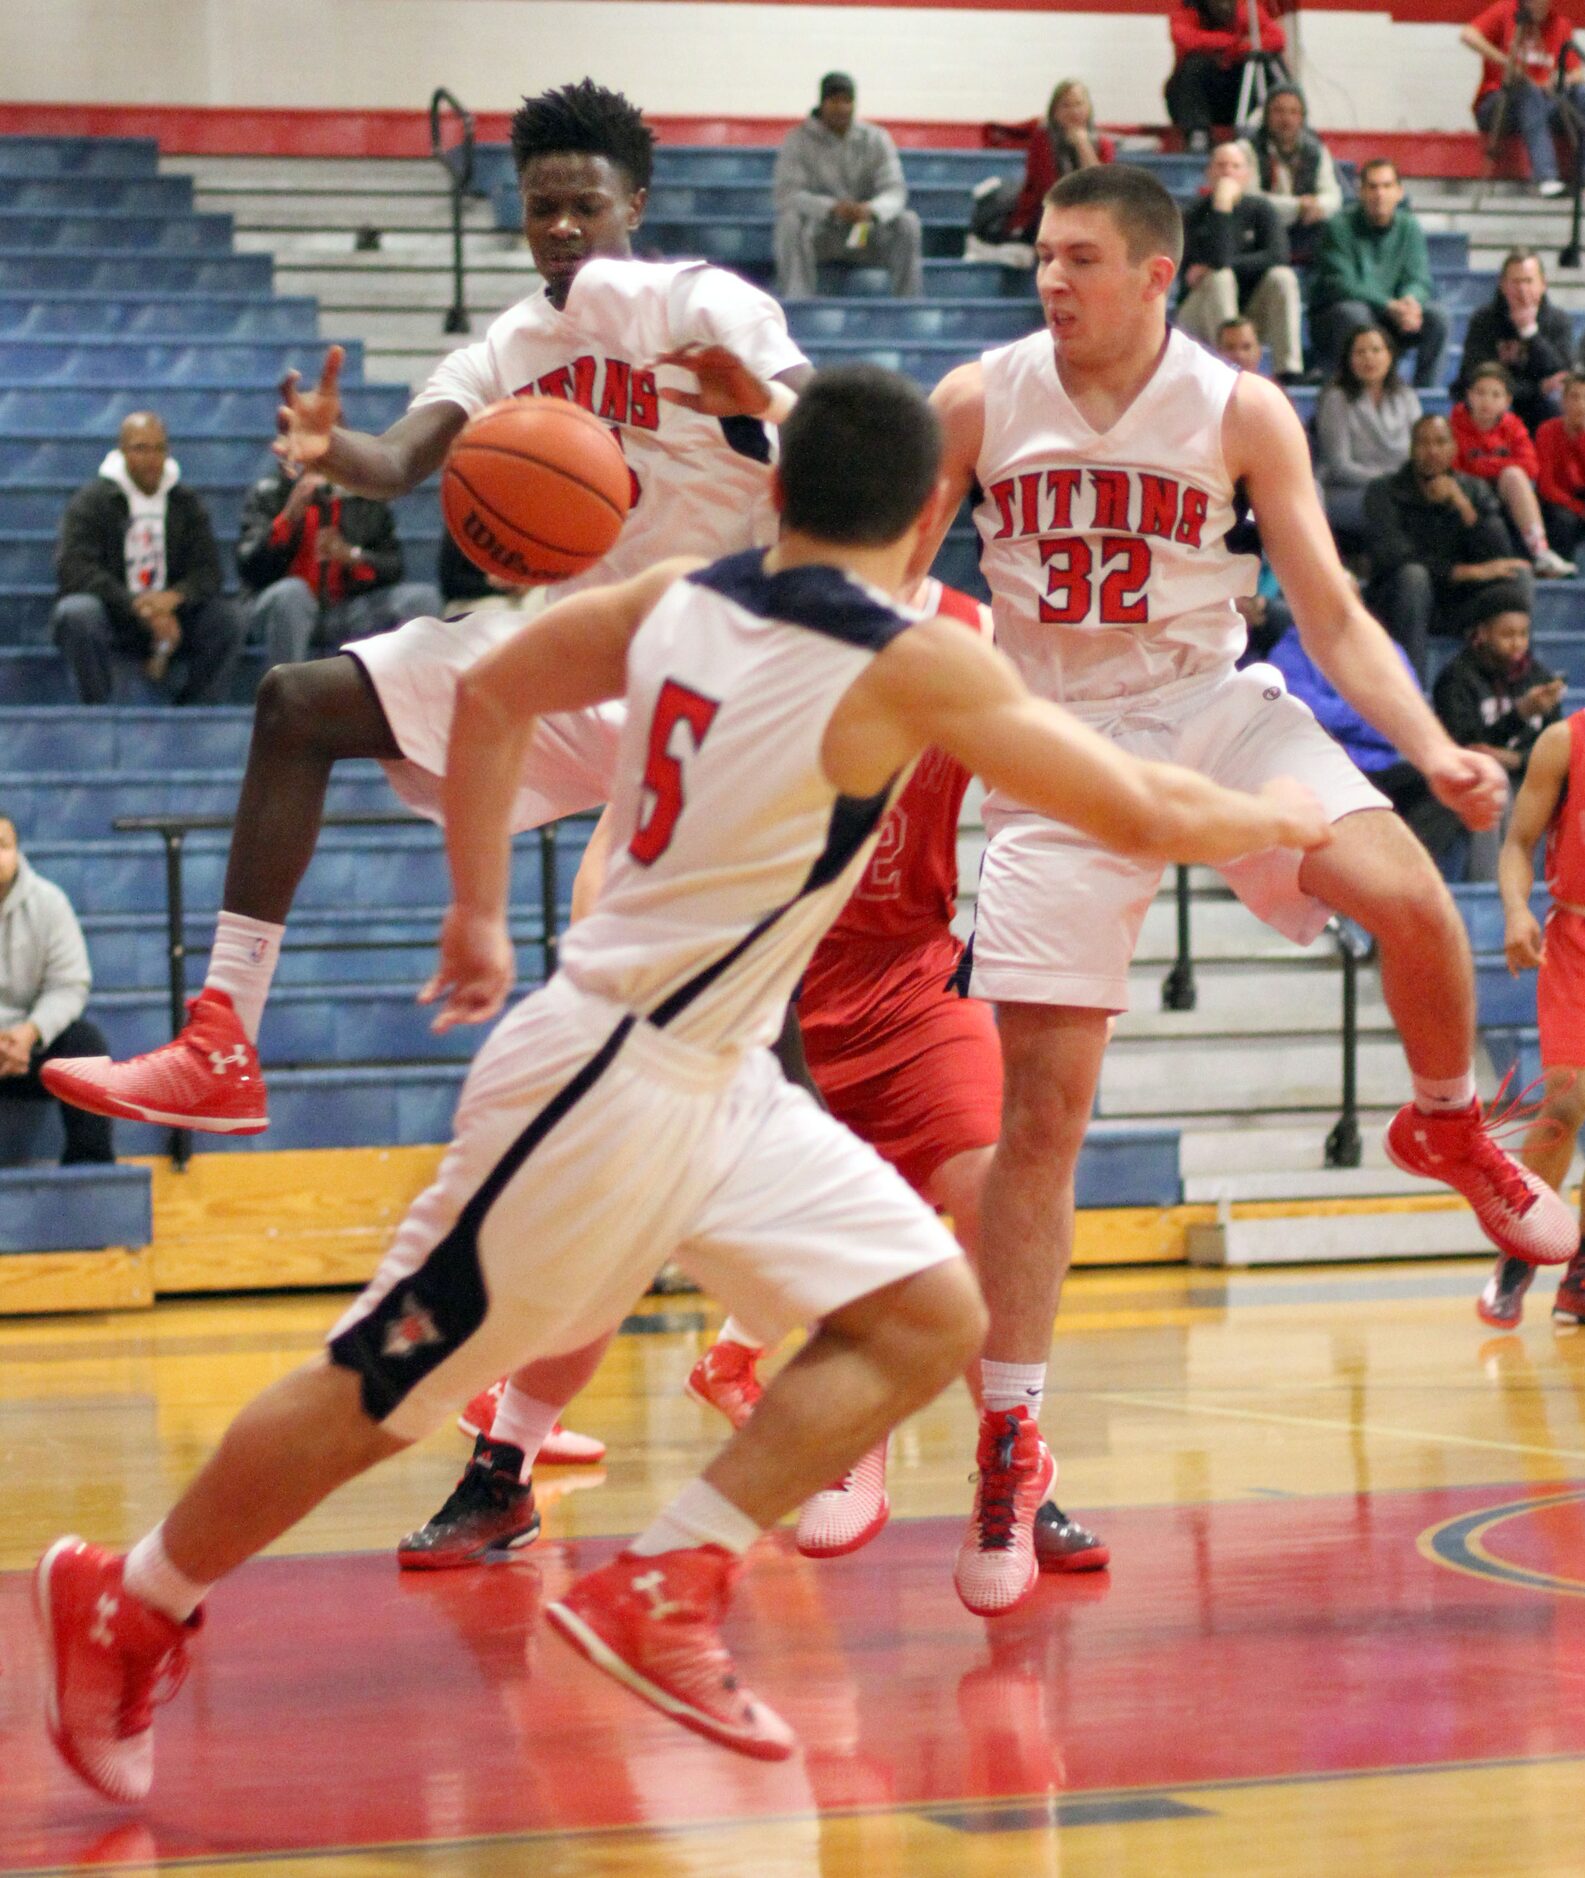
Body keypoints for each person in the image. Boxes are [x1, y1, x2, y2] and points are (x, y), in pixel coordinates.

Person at [32, 364, 1333, 1796]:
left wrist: (475, 908)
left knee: (925, 1312)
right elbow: (1138, 803)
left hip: (717, 1080)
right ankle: (133, 1591)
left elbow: (499, 686)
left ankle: (666, 1578)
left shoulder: (683, 597)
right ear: (922, 523)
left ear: (775, 490)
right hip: (607, 1072)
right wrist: (1277, 806)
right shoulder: (910, 654)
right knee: (383, 1384)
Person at [916, 163, 1577, 1617]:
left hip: (1214, 710)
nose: (1050, 280)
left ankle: (1446, 1123)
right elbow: (891, 589)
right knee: (1041, 1121)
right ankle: (1009, 1434)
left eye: (1080, 258)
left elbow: (1331, 609)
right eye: (1042, 257)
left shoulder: (1236, 407)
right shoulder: (977, 399)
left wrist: (1430, 746)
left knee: (1409, 894)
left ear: (1160, 276)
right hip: (1051, 748)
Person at [42, 79, 813, 1137]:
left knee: (752, 1020)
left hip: (724, 671)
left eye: (583, 203)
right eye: (540, 205)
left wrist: (763, 402)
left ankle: (822, 1220)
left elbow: (837, 440)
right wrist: (329, 452)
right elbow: (401, 460)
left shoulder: (706, 307)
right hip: (574, 662)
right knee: (297, 702)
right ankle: (220, 1039)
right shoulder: (507, 346)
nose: (559, 227)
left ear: (634, 202)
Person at [400, 573, 1107, 1577]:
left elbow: (1060, 795)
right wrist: (618, 960)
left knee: (989, 1191)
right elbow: (616, 839)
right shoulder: (738, 629)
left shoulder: (971, 639)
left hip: (899, 973)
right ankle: (505, 1464)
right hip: (746, 979)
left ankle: (1015, 1472)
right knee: (617, 1222)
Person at [1476, 709, 1585, 1328]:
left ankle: (1582, 1276)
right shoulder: (1564, 742)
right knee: (1566, 1101)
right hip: (1575, 935)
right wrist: (1517, 911)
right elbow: (1517, 843)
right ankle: (1519, 1253)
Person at [50, 412, 245, 707]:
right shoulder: (91, 502)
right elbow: (75, 569)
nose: (152, 458)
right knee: (76, 613)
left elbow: (208, 572)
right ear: (122, 452)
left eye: (159, 448)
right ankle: (97, 714)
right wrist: (137, 606)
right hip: (114, 615)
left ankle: (195, 714)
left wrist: (174, 598)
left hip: (174, 617)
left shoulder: (186, 503)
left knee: (229, 619)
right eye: (141, 448)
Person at [1261, 619, 1464, 868]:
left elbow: (1407, 716)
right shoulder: (1287, 653)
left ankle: (1397, 870)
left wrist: (1349, 718)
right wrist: (1372, 714)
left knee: (1447, 789)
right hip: (1329, 769)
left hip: (1385, 765)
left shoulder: (1386, 648)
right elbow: (1307, 714)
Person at [1362, 412, 1534, 683]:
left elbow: (1499, 554)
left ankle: (1514, 683)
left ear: (1454, 448)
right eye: (1423, 443)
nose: (1432, 451)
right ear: (1411, 449)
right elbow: (1392, 555)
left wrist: (1463, 507)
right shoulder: (1383, 491)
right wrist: (1462, 572)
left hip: (1458, 603)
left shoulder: (1474, 490)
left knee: (1518, 576)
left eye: (1440, 442)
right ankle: (1411, 688)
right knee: (1413, 576)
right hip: (1401, 599)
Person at [237, 467, 442, 670]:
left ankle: (413, 695)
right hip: (280, 610)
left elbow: (394, 567)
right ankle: (284, 695)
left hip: (344, 609)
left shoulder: (364, 497)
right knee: (293, 593)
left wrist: (352, 556)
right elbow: (248, 567)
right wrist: (287, 519)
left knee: (423, 599)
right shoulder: (270, 491)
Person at [0, 813, 113, 1167]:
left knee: (85, 1044)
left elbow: (69, 984)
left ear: (17, 851)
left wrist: (30, 1032)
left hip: (31, 1046)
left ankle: (90, 1171)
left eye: (2, 846)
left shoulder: (50, 903)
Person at [1433, 599, 1564, 877]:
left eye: (1523, 634)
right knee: (1493, 784)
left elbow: (1559, 748)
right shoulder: (1456, 679)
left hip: (1527, 774)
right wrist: (1520, 714)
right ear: (1482, 633)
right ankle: (1490, 890)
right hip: (1473, 779)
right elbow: (1466, 746)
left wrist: (1517, 760)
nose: (1517, 643)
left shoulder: (1539, 678)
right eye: (1507, 635)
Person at [772, 73, 924, 300]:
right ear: (822, 103)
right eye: (834, 100)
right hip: (821, 237)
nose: (841, 107)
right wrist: (832, 208)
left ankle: (908, 306)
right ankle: (797, 304)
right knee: (790, 222)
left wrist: (872, 210)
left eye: (847, 100)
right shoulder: (798, 140)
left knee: (907, 223)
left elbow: (895, 190)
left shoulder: (876, 139)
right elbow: (787, 194)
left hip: (866, 235)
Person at [1309, 160, 1449, 389]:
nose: (1379, 194)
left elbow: (1419, 279)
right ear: (1360, 191)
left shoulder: (1409, 226)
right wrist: (1388, 305)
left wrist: (1409, 302)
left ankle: (1425, 396)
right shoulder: (1338, 226)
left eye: (1386, 186)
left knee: (1437, 318)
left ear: (1399, 192)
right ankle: (1358, 392)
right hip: (1340, 318)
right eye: (1372, 187)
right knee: (1355, 314)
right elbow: (1342, 284)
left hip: (1393, 317)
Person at [1175, 142, 1303, 383]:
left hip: (1251, 308)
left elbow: (1278, 256)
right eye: (1221, 165)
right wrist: (1222, 207)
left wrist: (1225, 264)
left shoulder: (1262, 209)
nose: (1227, 172)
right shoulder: (1193, 214)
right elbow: (1219, 262)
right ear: (1209, 173)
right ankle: (1226, 363)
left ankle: (1288, 369)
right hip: (1200, 311)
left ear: (1247, 175)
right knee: (1220, 279)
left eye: (1235, 166)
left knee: (1282, 277)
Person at [1451, 362, 1575, 575]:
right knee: (1509, 472)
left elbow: (1530, 466)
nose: (1487, 401)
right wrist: (1497, 465)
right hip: (1467, 491)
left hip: (1503, 490)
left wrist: (1483, 464)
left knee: (1515, 475)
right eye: (1480, 393)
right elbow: (1453, 468)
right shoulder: (1453, 425)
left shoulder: (1514, 426)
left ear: (1507, 401)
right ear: (1469, 395)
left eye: (1495, 395)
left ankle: (1540, 552)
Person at [1462, 0, 1585, 198]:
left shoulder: (1560, 24)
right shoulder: (1506, 11)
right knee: (1528, 91)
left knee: (1581, 94)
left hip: (1544, 104)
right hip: (1499, 104)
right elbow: (1468, 35)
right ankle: (1546, 178)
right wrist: (1505, 61)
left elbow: (1578, 72)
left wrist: (1563, 79)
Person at [1314, 324, 1422, 548]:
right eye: (1360, 352)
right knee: (1389, 503)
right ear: (1349, 359)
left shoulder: (1406, 396)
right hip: (1350, 490)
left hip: (1403, 487)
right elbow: (1339, 466)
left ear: (1390, 355)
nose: (1368, 358)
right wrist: (1389, 481)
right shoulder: (1337, 399)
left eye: (1375, 350)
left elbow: (1419, 451)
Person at [977, 81, 1115, 251]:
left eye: (1079, 104)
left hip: (1090, 217)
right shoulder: (1043, 140)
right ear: (1054, 111)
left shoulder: (1103, 144)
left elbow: (1103, 189)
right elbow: (1048, 188)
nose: (1074, 111)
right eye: (1066, 105)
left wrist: (1082, 145)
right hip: (1046, 214)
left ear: (1089, 108)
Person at [1454, 249, 1575, 436]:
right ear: (1502, 285)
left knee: (1557, 405)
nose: (1522, 289)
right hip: (1494, 400)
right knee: (1485, 400)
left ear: (1543, 285)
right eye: (1515, 281)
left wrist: (1530, 333)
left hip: (1539, 405)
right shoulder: (1484, 320)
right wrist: (1537, 388)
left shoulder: (1559, 321)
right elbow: (1477, 376)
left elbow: (1562, 376)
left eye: (1528, 281)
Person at [1238, 83, 1343, 268]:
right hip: (1260, 233)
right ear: (1266, 116)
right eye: (1278, 111)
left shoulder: (1317, 151)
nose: (1286, 119)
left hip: (1305, 229)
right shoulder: (1247, 149)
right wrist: (1298, 206)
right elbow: (1250, 198)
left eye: (1293, 112)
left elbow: (1333, 196)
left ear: (1302, 118)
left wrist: (1318, 205)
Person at [1164, 0, 1289, 152]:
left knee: (1269, 61)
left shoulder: (1246, 10)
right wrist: (1234, 43)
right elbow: (1186, 39)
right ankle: (1198, 135)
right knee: (1194, 65)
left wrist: (1235, 50)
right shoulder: (1187, 12)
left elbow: (1277, 38)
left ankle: (1282, 128)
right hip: (1199, 101)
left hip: (1240, 97)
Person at [1536, 370, 1585, 560]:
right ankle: (1559, 572)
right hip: (1558, 501)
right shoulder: (1547, 430)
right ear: (1563, 401)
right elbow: (1546, 486)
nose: (1581, 404)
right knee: (1563, 520)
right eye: (1575, 397)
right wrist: (1579, 508)